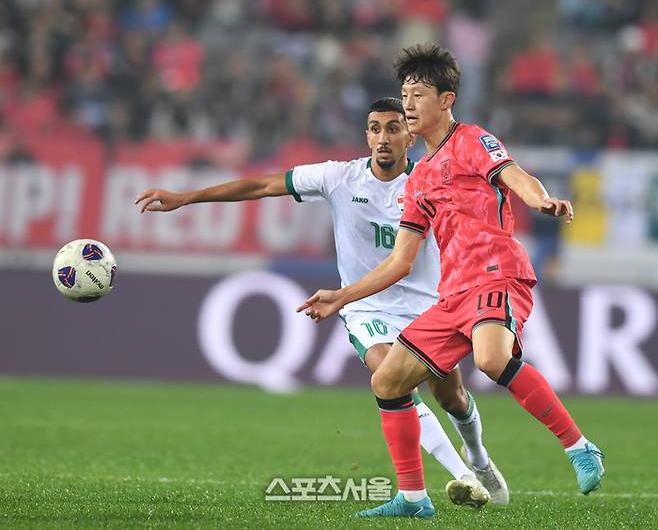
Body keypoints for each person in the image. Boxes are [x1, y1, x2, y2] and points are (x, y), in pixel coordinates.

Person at [135, 97, 509, 508]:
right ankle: (460, 480)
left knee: (451, 398)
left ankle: (479, 458)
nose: (382, 138)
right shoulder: (339, 178)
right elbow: (263, 185)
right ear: (366, 136)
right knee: (391, 380)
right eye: (374, 128)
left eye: (393, 128)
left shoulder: (432, 181)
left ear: (410, 135)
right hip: (368, 308)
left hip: (429, 306)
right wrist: (188, 197)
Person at [298, 45, 605, 519]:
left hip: (496, 272)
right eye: (405, 96)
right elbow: (400, 261)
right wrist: (342, 296)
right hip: (452, 293)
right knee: (387, 380)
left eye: (417, 95)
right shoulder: (418, 180)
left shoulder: (472, 140)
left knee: (491, 358)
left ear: (447, 99)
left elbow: (514, 175)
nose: (409, 105)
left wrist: (541, 200)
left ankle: (579, 446)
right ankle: (414, 499)